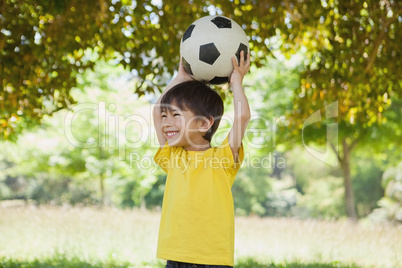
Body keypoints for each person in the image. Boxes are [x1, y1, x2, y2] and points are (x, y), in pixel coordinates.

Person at [153, 51, 251, 268]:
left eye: (176, 115)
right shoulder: (173, 156)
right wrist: (180, 78)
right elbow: (156, 110)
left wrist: (236, 83)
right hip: (176, 258)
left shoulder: (223, 158)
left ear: (204, 123)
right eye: (164, 117)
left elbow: (242, 117)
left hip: (212, 261)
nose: (166, 123)